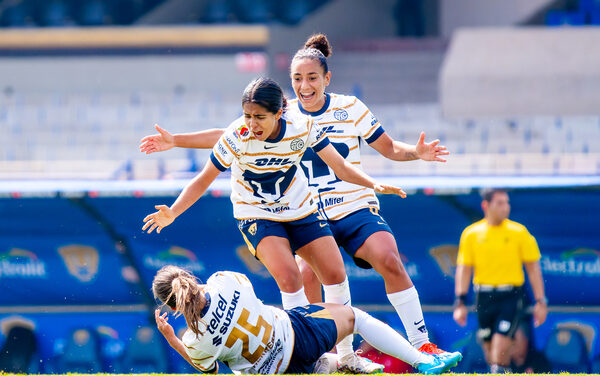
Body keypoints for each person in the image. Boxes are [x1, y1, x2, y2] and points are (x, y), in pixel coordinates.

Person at [139, 34, 456, 365]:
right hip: (266, 213)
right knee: (292, 276)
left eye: (258, 117)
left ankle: (368, 356)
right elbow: (213, 160)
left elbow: (346, 164)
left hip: (316, 209)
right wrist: (173, 198)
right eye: (246, 117)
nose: (251, 124)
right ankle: (311, 360)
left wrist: (379, 180)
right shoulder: (250, 127)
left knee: (358, 268)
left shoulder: (314, 120)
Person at [152, 265, 460, 374]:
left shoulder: (195, 339)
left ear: (173, 306)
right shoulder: (222, 280)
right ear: (188, 277)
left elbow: (207, 369)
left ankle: (330, 366)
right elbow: (246, 287)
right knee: (355, 318)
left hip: (274, 373)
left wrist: (171, 338)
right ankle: (422, 362)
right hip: (296, 335)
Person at [453, 188, 548, 373]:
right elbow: (464, 269)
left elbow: (533, 269)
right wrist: (460, 302)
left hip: (510, 296)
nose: (506, 207)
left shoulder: (519, 232)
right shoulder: (471, 233)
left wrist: (540, 301)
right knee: (489, 350)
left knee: (500, 346)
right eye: (500, 203)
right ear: (485, 205)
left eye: (507, 203)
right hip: (484, 296)